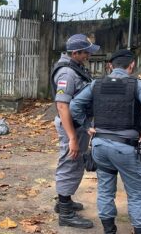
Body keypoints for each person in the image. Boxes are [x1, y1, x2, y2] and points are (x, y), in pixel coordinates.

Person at [70, 49, 141, 234]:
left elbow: (74, 105)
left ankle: (109, 231)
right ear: (132, 65)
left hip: (100, 146)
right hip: (127, 148)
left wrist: (87, 125)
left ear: (110, 66)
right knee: (137, 194)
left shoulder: (96, 84)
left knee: (105, 190)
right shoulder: (137, 85)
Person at [50, 33, 100, 229]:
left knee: (74, 162)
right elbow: (62, 106)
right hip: (71, 126)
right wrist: (71, 137)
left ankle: (65, 201)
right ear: (76, 52)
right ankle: (65, 214)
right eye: (86, 52)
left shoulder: (76, 68)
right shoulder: (67, 73)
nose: (88, 55)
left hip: (78, 124)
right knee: (70, 162)